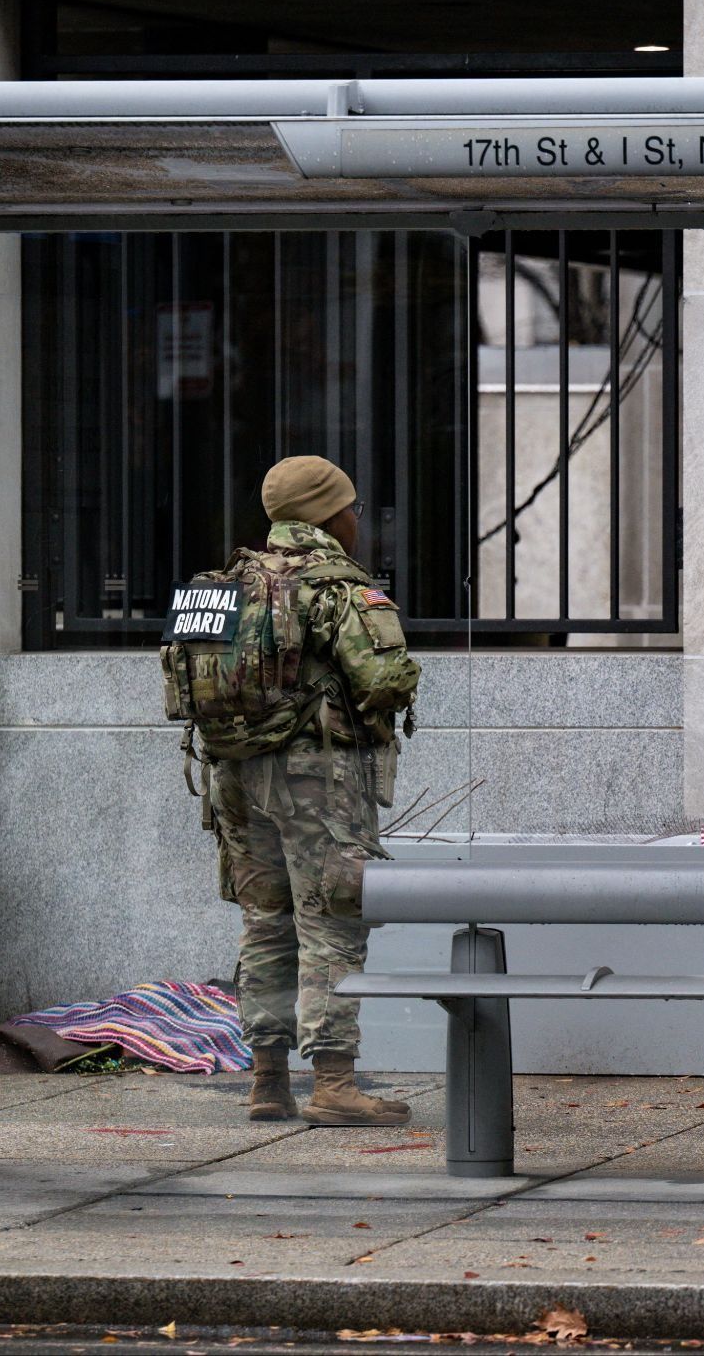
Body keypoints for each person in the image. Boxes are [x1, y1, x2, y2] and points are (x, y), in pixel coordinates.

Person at [165, 456, 420, 1125]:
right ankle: (334, 1082)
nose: (356, 523)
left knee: (266, 925)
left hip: (232, 780)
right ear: (327, 515)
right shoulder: (334, 584)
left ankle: (267, 1080)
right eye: (352, 510)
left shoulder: (220, 586)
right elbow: (385, 680)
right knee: (332, 919)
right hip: (314, 778)